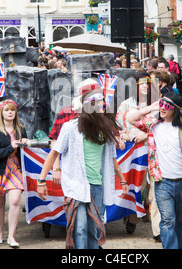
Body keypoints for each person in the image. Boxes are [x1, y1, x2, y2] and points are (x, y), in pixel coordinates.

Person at [37, 89, 128, 249]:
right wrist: (41, 180)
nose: (103, 108)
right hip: (75, 185)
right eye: (99, 105)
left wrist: (122, 180)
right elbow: (54, 153)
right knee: (79, 229)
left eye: (104, 105)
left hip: (97, 186)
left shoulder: (105, 129)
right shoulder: (70, 127)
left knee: (94, 228)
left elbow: (111, 158)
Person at [127, 92, 182, 249]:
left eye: (166, 106)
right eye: (161, 104)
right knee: (167, 220)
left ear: (175, 109)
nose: (162, 108)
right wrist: (149, 108)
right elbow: (131, 119)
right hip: (162, 182)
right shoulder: (153, 124)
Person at [0, 100, 29, 248]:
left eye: (12, 110)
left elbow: (25, 152)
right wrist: (11, 147)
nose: (9, 112)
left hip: (15, 169)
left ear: (15, 113)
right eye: (6, 110)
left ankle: (11, 236)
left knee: (15, 201)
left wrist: (26, 143)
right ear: (1, 113)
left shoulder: (21, 129)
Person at [116, 72, 152, 234]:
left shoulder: (154, 106)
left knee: (143, 184)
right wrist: (123, 136)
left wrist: (147, 135)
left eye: (147, 83)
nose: (145, 86)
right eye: (141, 83)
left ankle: (135, 216)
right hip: (129, 152)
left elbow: (160, 125)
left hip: (148, 151)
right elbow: (117, 126)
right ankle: (129, 213)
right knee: (130, 182)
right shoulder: (125, 105)